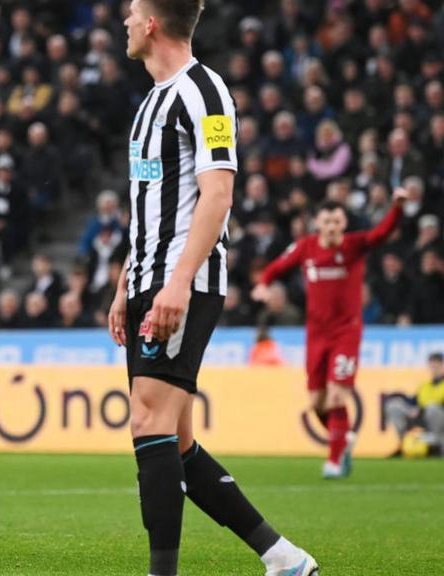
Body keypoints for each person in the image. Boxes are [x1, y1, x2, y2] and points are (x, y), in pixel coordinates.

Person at [108, 3, 317, 576]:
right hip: (151, 279)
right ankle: (284, 558)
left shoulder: (205, 92)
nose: (123, 22)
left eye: (131, 12)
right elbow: (148, 207)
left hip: (185, 281)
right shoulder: (150, 101)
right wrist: (128, 282)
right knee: (175, 443)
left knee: (147, 422)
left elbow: (217, 197)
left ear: (152, 23)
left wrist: (176, 284)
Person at [252, 191, 406, 478]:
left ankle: (334, 461)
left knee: (337, 397)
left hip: (346, 332)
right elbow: (275, 267)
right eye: (327, 221)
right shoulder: (306, 247)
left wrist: (396, 208)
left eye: (337, 221)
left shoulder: (354, 245)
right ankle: (343, 438)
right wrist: (264, 283)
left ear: (344, 222)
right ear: (317, 224)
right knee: (316, 404)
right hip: (316, 335)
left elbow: (383, 234)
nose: (333, 226)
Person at [384, 352, 444, 457]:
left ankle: (436, 446)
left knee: (432, 408)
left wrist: (422, 410)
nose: (434, 369)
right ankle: (404, 444)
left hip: (438, 420)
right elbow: (414, 401)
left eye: (437, 366)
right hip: (422, 417)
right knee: (394, 406)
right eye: (432, 365)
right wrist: (412, 408)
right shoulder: (424, 385)